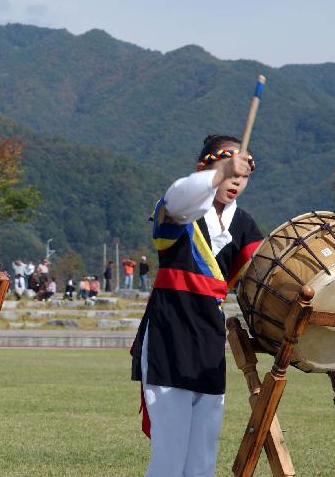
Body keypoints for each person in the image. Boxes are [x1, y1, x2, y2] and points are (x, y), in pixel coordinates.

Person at [132, 135, 263, 476]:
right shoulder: (180, 211)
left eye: (243, 174)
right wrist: (218, 174)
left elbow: (268, 268)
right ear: (203, 168)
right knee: (170, 457)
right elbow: (178, 197)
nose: (236, 180)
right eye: (228, 170)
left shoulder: (244, 225)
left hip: (208, 340)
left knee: (202, 459)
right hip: (168, 335)